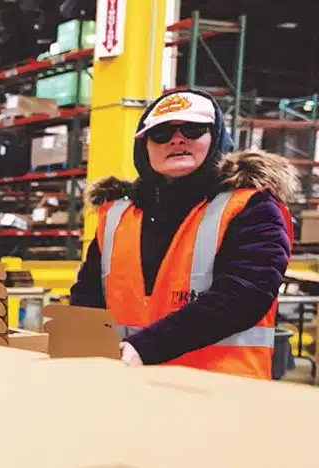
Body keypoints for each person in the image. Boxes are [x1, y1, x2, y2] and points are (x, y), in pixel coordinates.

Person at [70, 89, 296, 379]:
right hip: (127, 387)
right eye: (161, 134)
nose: (177, 139)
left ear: (216, 139)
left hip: (219, 394)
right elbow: (87, 298)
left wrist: (146, 348)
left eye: (192, 129)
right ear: (144, 148)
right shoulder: (116, 215)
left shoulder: (252, 207)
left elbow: (243, 296)